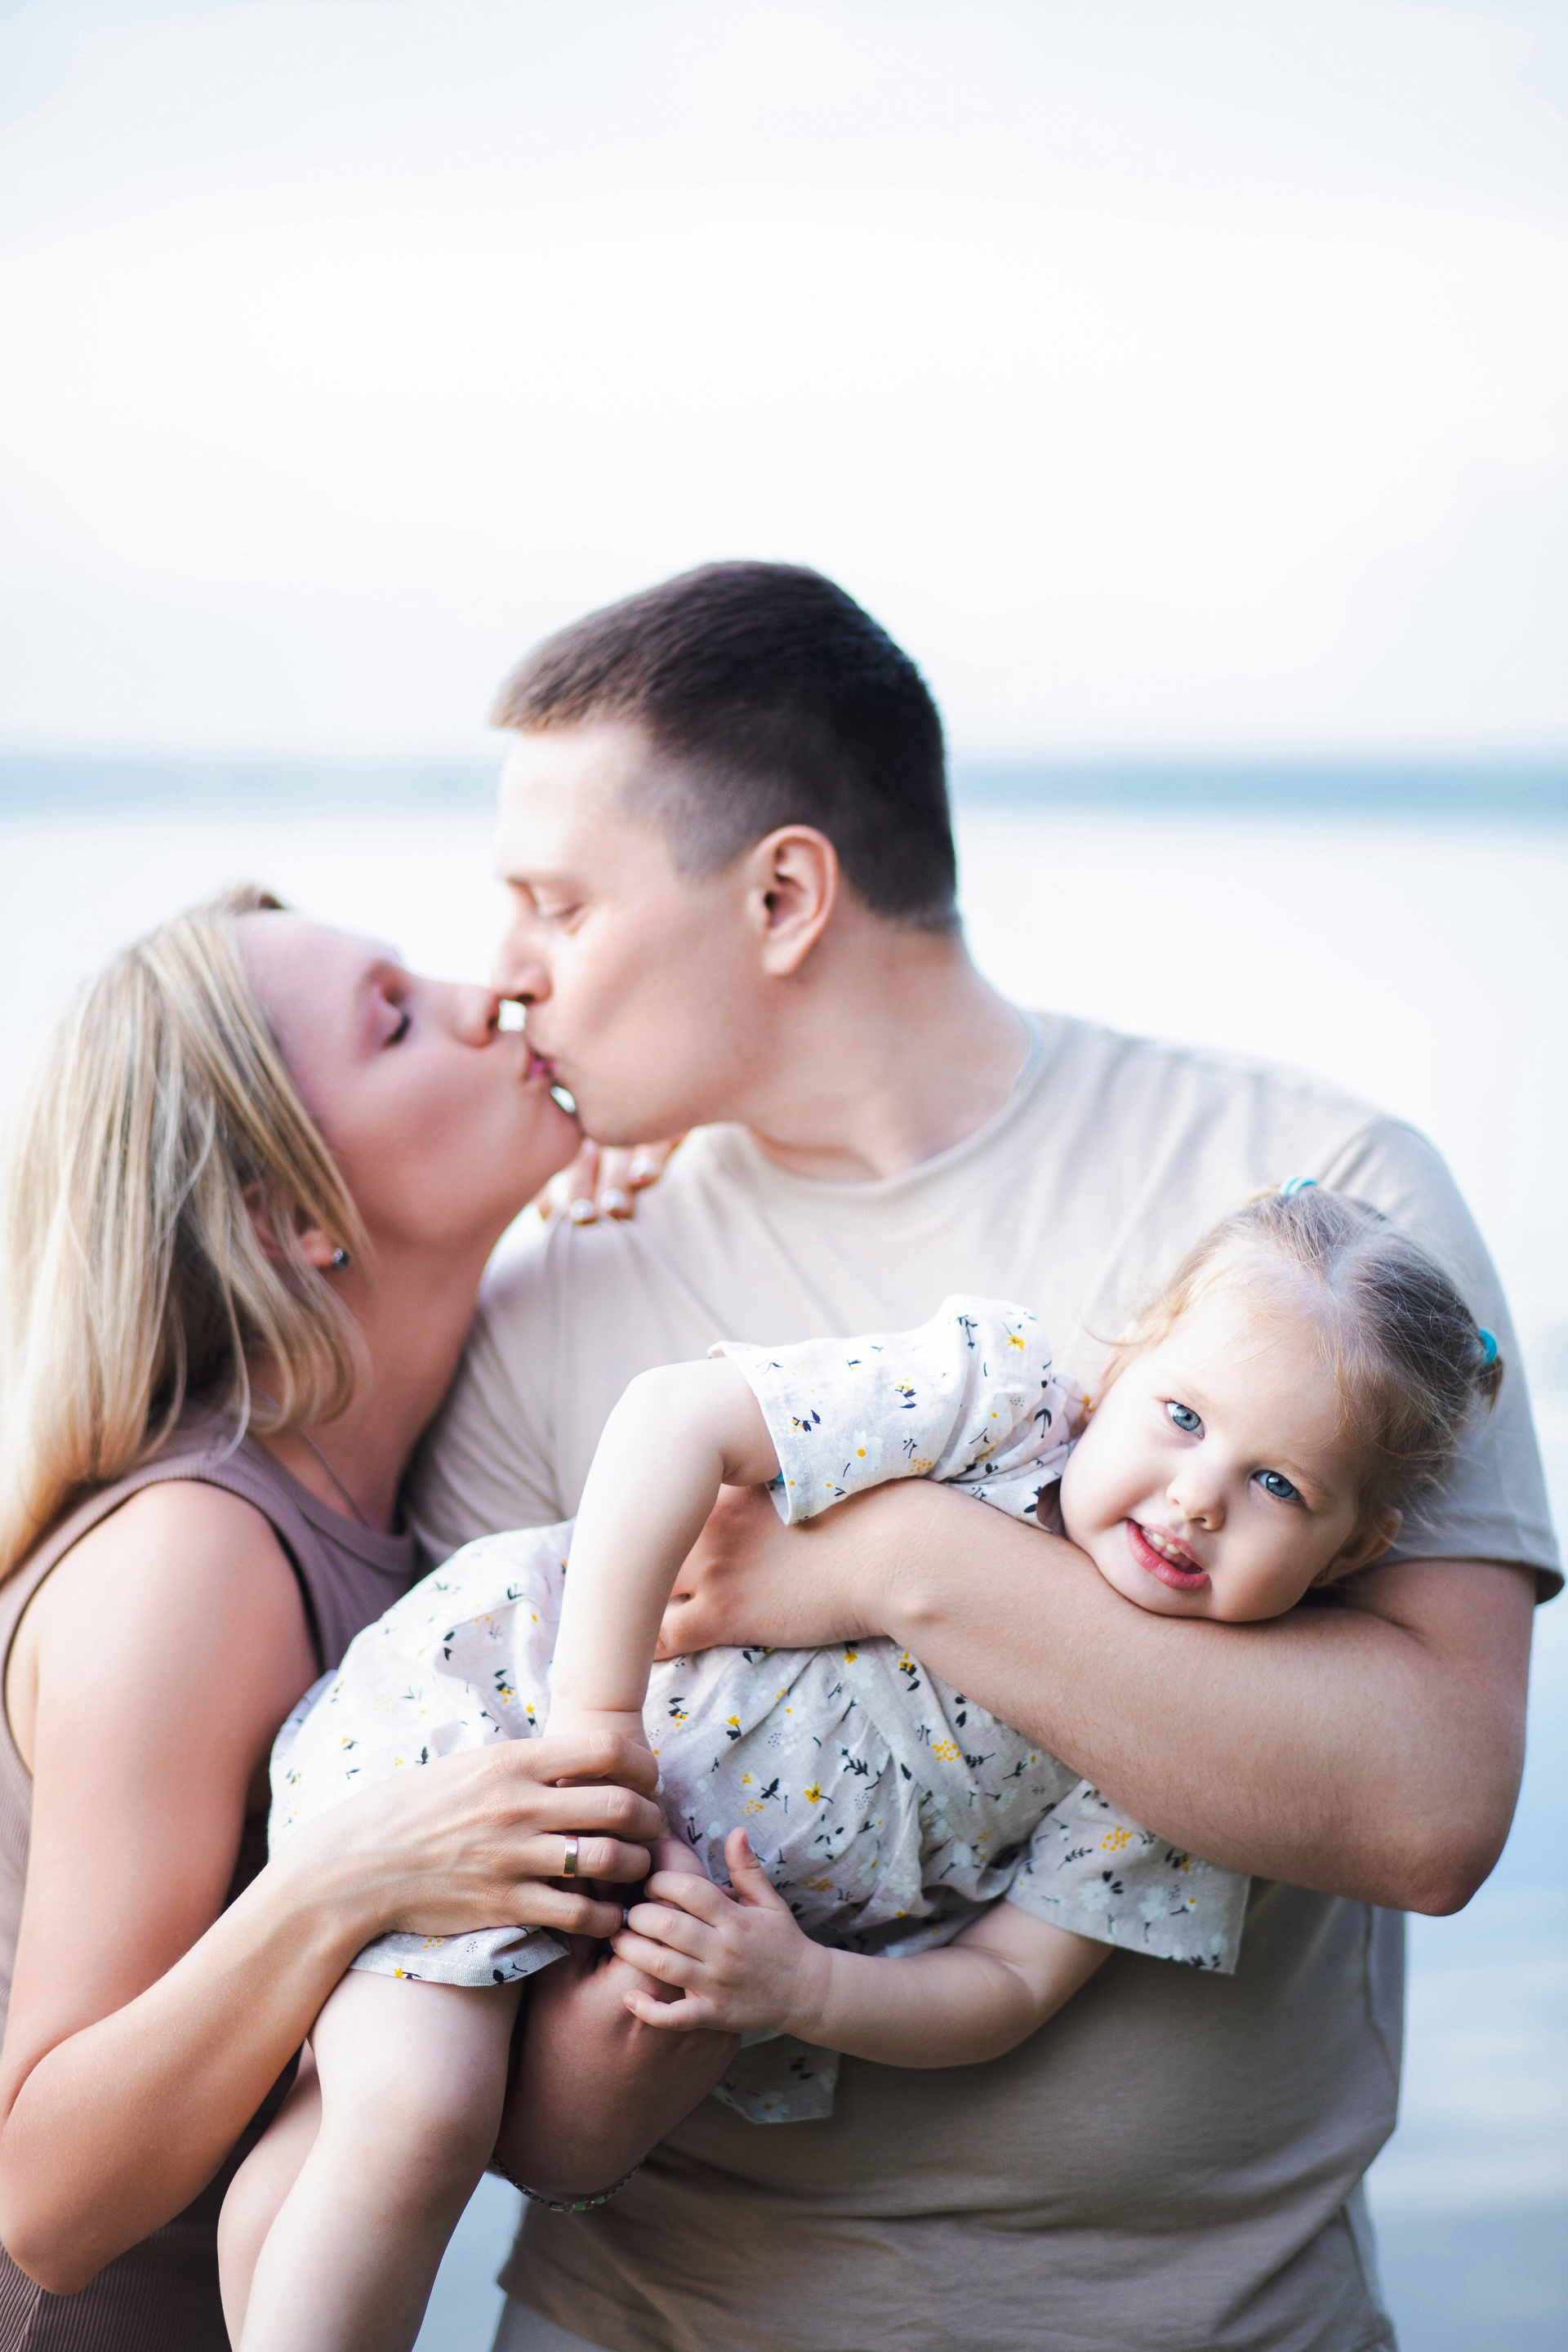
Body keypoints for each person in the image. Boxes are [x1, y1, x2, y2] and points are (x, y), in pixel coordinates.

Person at [409, 562, 1560, 2352]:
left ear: (784, 895)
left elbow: (1430, 1815)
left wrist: (896, 1570)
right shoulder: (550, 1301)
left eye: (557, 904)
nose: (501, 974)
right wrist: (699, 1958)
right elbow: (526, 2124)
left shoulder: (1324, 1218)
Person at [225, 1187, 1505, 2352]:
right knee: (414, 2114)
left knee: (343, 2134)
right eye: (1182, 1417)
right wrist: (595, 1710)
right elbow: (674, 1417)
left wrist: (803, 1989)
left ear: (1353, 1551)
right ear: (1120, 1368)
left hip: (597, 1890)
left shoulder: (1192, 1754)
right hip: (492, 1717)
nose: (1199, 1497)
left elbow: (1009, 1984)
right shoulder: (1000, 1407)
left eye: (1278, 1484)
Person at [0, 889, 666, 2352]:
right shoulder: (194, 1562)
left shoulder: (401, 1494)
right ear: (289, 1218)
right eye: (395, 1018)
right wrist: (352, 1877)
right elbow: (41, 2201)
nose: (486, 997)